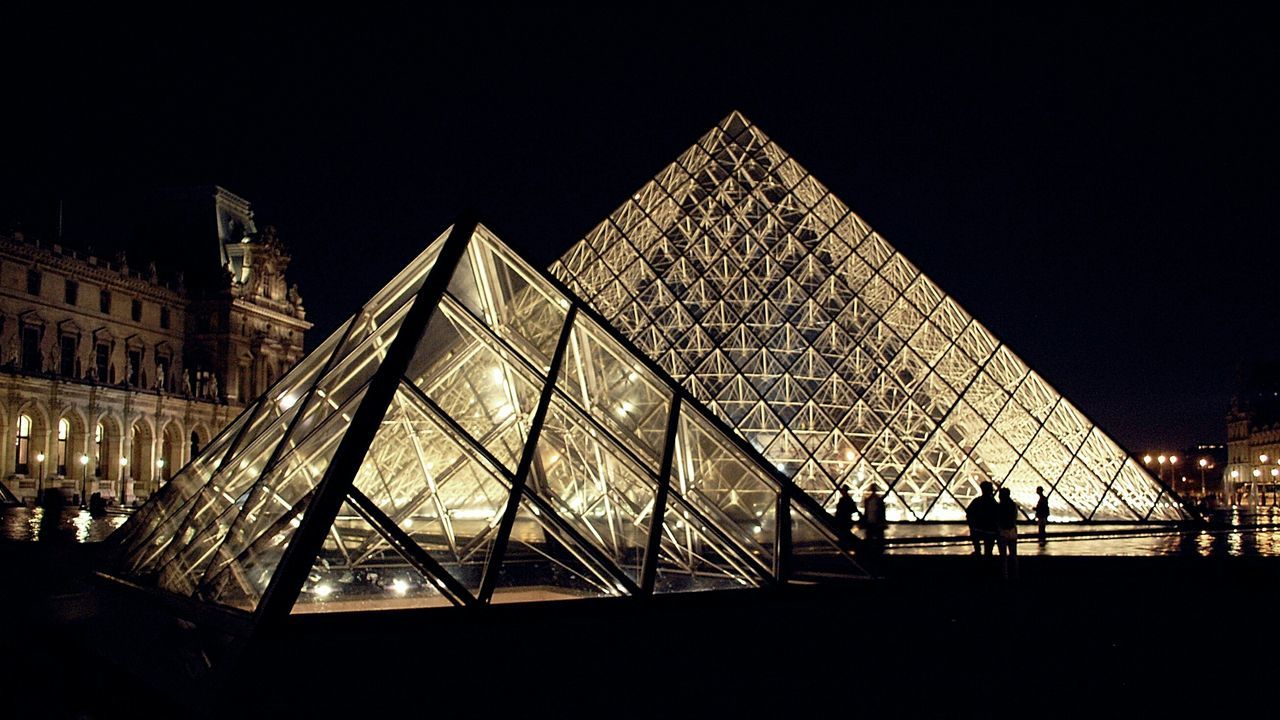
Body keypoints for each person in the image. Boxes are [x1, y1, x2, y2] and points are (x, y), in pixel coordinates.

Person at [965, 481, 998, 557]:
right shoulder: (993, 502)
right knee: (988, 551)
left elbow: (968, 513)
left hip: (978, 530)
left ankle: (978, 552)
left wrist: (972, 525)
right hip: (991, 531)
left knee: (979, 548)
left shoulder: (977, 501)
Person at [996, 487, 1020, 579]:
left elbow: (997, 518)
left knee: (1003, 556)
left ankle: (1005, 575)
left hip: (1002, 532)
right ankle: (1015, 574)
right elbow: (1014, 517)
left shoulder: (1000, 506)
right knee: (1013, 555)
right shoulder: (1013, 505)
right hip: (1012, 531)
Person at [861, 484, 887, 552]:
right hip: (875, 523)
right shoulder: (879, 501)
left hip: (870, 522)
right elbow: (882, 512)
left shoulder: (868, 500)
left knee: (869, 539)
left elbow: (866, 512)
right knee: (878, 540)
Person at [834, 484, 857, 549]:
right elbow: (854, 509)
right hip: (847, 519)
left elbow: (838, 511)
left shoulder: (842, 500)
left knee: (843, 534)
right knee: (846, 533)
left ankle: (844, 546)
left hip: (842, 520)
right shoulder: (849, 499)